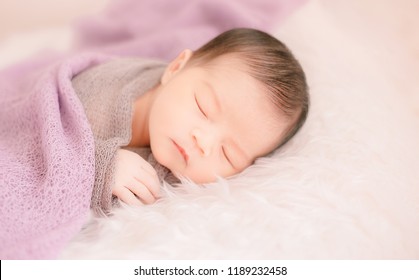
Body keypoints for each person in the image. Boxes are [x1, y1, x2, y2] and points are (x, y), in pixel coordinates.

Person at [72, 28, 309, 212]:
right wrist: (98, 167)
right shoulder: (101, 96)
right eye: (204, 108)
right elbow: (44, 145)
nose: (203, 143)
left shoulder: (181, 195)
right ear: (175, 68)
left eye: (228, 154)